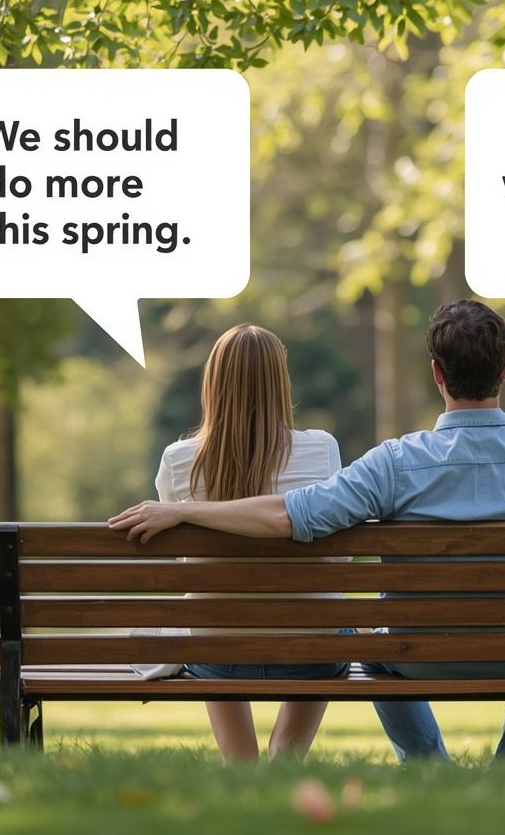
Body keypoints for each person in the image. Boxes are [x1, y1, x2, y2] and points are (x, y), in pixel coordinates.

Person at [112, 300, 505, 764]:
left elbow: (292, 515)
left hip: (415, 660)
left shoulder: (395, 462)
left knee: (373, 642)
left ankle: (429, 766)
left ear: (436, 373)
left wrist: (189, 511)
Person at [152, 324, 346, 762]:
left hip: (216, 649)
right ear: (280, 383)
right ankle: (284, 761)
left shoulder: (178, 460)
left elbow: (182, 558)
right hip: (310, 650)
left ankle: (241, 765)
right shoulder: (322, 450)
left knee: (211, 620)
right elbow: (340, 552)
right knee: (334, 622)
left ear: (213, 384)